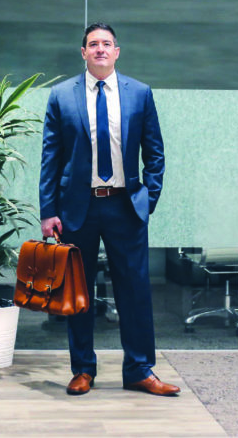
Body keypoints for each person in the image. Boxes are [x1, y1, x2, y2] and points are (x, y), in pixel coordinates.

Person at [39, 22, 180, 397]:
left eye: (107, 44)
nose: (100, 49)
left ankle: (139, 370)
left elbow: (155, 154)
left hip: (125, 205)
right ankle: (83, 369)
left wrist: (147, 200)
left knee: (134, 292)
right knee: (78, 293)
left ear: (117, 51)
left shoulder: (140, 94)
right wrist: (48, 210)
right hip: (77, 208)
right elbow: (50, 159)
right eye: (92, 44)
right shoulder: (61, 96)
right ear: (83, 53)